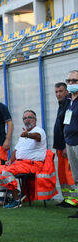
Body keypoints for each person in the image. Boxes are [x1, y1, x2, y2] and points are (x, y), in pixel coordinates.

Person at [0, 110, 47, 208]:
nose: (27, 120)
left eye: (29, 117)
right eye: (25, 118)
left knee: (7, 172)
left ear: (35, 119)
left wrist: (27, 135)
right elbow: (16, 151)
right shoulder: (24, 134)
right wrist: (10, 161)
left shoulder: (39, 130)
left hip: (32, 164)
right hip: (20, 164)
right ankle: (9, 196)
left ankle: (17, 198)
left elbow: (38, 137)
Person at [53, 82, 76, 208]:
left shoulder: (69, 104)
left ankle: (74, 200)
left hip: (65, 145)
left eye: (61, 91)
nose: (58, 94)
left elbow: (67, 125)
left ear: (67, 91)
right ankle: (66, 198)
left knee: (69, 174)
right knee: (62, 174)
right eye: (56, 92)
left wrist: (66, 145)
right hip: (59, 146)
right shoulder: (61, 104)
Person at [61, 70, 78, 217]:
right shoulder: (69, 101)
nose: (71, 83)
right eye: (69, 81)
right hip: (70, 142)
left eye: (74, 81)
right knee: (77, 176)